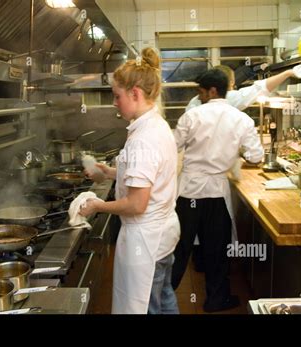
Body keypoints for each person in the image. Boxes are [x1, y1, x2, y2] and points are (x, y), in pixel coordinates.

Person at [79, 47, 180, 314]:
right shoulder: (156, 125)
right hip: (162, 236)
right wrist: (110, 172)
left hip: (146, 242)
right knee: (164, 296)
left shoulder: (143, 139)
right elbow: (151, 178)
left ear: (135, 93)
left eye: (117, 96)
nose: (114, 103)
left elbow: (137, 204)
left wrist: (97, 205)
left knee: (149, 307)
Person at [185, 65, 295, 273]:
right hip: (210, 183)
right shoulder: (223, 103)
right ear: (226, 88)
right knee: (216, 236)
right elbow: (258, 89)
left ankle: (196, 270)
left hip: (191, 183)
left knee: (195, 236)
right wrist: (289, 73)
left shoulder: (195, 105)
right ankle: (215, 288)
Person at [172, 69, 264, 312]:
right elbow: (257, 156)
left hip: (188, 192)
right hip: (215, 192)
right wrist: (233, 150)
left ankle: (160, 299)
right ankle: (216, 299)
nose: (199, 96)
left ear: (212, 90)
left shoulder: (191, 117)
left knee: (178, 249)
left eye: (201, 91)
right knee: (217, 250)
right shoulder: (242, 119)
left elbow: (172, 146)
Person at [186, 65, 295, 111]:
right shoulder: (230, 98)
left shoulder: (194, 102)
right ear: (231, 82)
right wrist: (287, 73)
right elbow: (260, 88)